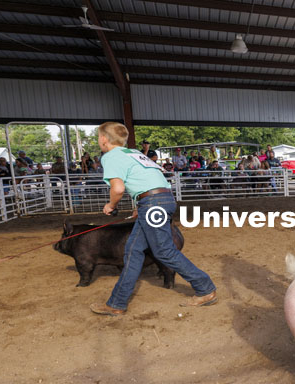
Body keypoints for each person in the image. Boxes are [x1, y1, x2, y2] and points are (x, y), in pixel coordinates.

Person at [90, 122, 216, 316]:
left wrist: (111, 205)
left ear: (104, 139)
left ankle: (205, 288)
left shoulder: (111, 156)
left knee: (164, 252)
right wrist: (139, 205)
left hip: (152, 203)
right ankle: (117, 303)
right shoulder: (133, 153)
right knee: (132, 251)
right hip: (158, 199)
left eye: (99, 137)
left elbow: (118, 188)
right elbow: (145, 178)